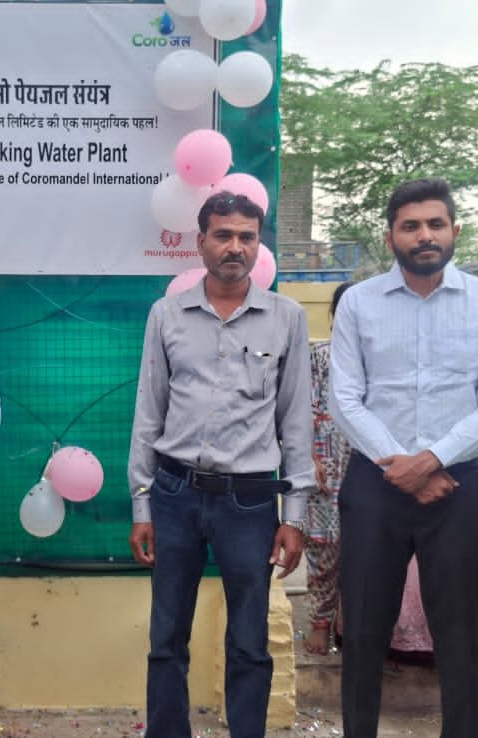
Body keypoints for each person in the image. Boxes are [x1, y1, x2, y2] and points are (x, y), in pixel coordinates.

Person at [329, 177, 478, 738]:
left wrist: (430, 460)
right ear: (391, 237)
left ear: (455, 231)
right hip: (374, 482)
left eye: (435, 224)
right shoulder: (359, 302)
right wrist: (402, 467)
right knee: (363, 630)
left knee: (459, 634)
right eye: (410, 226)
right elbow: (344, 399)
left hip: (459, 486)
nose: (425, 235)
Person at [127, 191, 311, 737]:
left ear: (259, 244)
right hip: (175, 494)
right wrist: (142, 504)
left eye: (247, 237)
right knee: (166, 638)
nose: (235, 247)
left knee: (250, 640)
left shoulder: (286, 318)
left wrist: (294, 515)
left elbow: (295, 419)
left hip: (249, 501)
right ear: (201, 241)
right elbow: (148, 412)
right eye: (224, 235)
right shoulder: (167, 315)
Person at [303, 282, 353, 656]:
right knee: (322, 545)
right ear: (336, 314)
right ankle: (320, 621)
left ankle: (348, 621)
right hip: (325, 456)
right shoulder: (319, 355)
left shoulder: (379, 357)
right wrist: (311, 457)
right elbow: (301, 409)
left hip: (367, 461)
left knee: (364, 545)